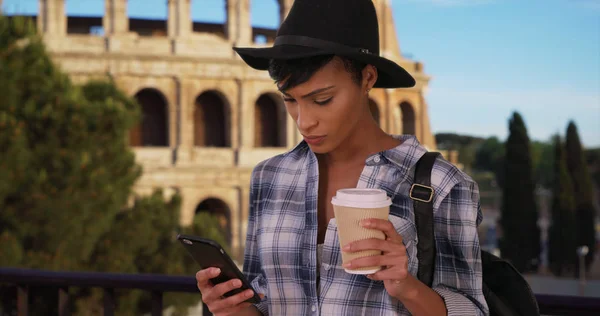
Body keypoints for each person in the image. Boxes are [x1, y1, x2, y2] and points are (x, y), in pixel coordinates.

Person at [195, 0, 489, 315]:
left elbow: (472, 310)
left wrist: (407, 286)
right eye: (289, 100)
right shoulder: (269, 176)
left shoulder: (440, 184)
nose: (303, 121)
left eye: (322, 100)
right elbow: (261, 302)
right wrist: (230, 306)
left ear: (367, 79)